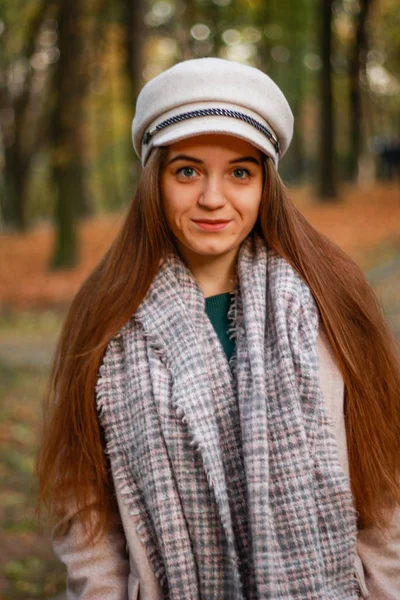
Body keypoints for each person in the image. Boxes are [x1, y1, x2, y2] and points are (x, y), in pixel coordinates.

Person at [36, 58, 400, 599]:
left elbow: (380, 484)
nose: (212, 198)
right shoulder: (105, 313)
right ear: (155, 180)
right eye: (187, 171)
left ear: (265, 184)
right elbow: (82, 504)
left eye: (239, 172)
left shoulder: (330, 297)